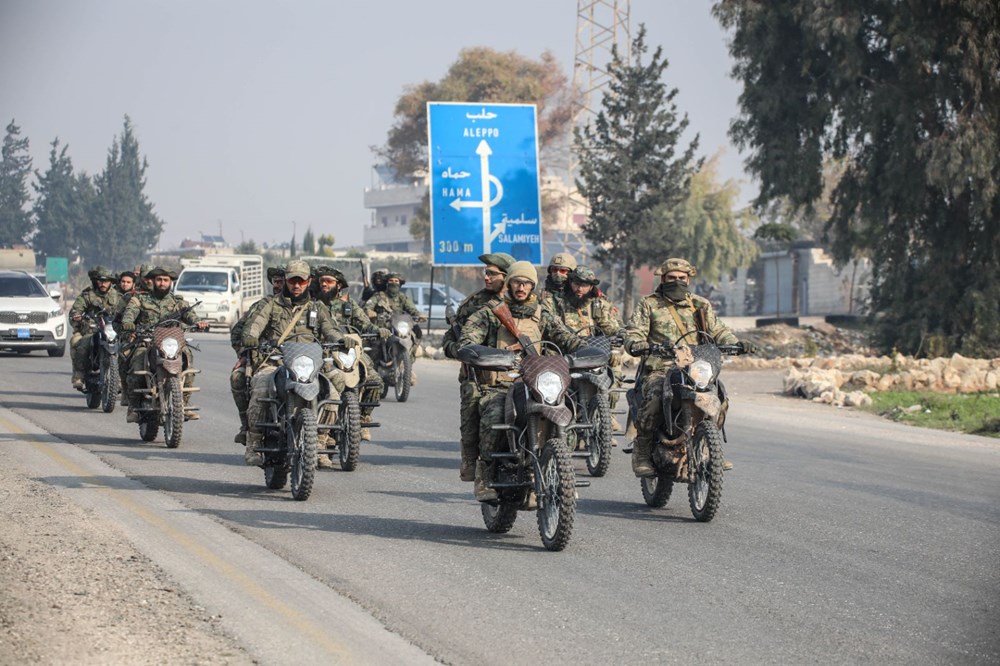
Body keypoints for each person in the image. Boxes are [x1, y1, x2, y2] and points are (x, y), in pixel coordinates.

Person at [458, 261, 584, 500]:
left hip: (536, 382)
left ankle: (562, 476)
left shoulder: (542, 314)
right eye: (517, 282)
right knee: (493, 415)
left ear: (532, 286)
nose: (521, 287)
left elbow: (567, 338)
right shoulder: (490, 313)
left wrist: (585, 352)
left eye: (526, 283)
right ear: (509, 283)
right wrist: (482, 352)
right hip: (500, 384)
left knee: (566, 414)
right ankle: (484, 476)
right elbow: (468, 339)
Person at [623, 258, 756, 477]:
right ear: (663, 279)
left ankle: (709, 448)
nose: (677, 282)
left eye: (681, 278)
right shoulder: (649, 304)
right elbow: (634, 332)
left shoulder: (700, 304)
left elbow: (718, 330)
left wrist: (737, 342)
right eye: (672, 278)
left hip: (696, 368)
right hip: (661, 368)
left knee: (719, 397)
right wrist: (638, 344)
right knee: (655, 398)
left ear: (689, 279)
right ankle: (642, 452)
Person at [239, 260, 357, 466]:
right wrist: (251, 337)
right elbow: (254, 325)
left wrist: (340, 339)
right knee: (260, 387)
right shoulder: (271, 304)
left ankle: (319, 444)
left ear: (308, 282)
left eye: (301, 281)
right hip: (275, 361)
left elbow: (330, 329)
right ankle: (253, 443)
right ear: (285, 281)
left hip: (310, 364)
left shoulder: (317, 307)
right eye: (292, 281)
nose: (296, 286)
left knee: (334, 392)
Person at [442, 252, 515, 482]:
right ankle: (473, 464)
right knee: (472, 411)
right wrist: (464, 352)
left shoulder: (526, 303)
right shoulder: (475, 303)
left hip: (518, 373)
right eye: (486, 272)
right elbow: (449, 341)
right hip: (480, 375)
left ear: (507, 277)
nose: (486, 277)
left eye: (492, 273)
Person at [120, 267, 209, 423]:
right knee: (136, 366)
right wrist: (128, 323)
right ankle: (133, 407)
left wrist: (198, 323)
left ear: (171, 283)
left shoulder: (178, 302)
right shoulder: (140, 300)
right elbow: (129, 314)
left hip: (172, 343)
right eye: (159, 280)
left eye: (165, 280)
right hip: (147, 342)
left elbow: (190, 315)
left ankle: (183, 404)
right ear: (153, 281)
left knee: (188, 363)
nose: (162, 283)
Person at [313, 265, 385, 455]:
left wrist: (377, 330)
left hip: (349, 353)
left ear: (338, 285)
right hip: (323, 352)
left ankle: (363, 419)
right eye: (322, 281)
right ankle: (320, 430)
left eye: (329, 281)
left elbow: (364, 323)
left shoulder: (348, 304)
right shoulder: (313, 304)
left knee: (374, 380)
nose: (325, 284)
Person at [545, 265, 627, 431]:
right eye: (576, 283)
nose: (579, 289)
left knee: (615, 360)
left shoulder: (597, 304)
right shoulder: (557, 302)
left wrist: (623, 336)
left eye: (584, 285)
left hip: (593, 352)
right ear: (570, 282)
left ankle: (606, 413)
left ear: (591, 287)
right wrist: (573, 341)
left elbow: (611, 325)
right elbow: (553, 327)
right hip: (566, 352)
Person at [228, 265, 285, 445]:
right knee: (238, 378)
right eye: (276, 281)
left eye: (283, 281)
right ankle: (247, 427)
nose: (279, 285)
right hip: (264, 358)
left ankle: (324, 437)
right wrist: (244, 353)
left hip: (299, 360)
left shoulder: (309, 307)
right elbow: (238, 332)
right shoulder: (261, 305)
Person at [364, 271, 425, 382]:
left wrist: (419, 315)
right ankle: (372, 374)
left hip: (399, 326)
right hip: (383, 328)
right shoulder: (379, 296)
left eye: (396, 281)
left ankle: (407, 366)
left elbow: (412, 310)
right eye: (391, 281)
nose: (393, 283)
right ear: (387, 283)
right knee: (375, 346)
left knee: (415, 338)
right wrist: (370, 312)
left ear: (400, 283)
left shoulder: (403, 298)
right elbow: (367, 307)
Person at [69, 266, 122, 390]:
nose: (103, 284)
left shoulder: (118, 296)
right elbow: (75, 310)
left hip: (112, 330)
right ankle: (79, 376)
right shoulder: (87, 295)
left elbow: (127, 311)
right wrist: (76, 316)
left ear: (111, 282)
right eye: (100, 281)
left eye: (106, 281)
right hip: (91, 330)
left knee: (125, 349)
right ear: (96, 281)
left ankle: (120, 380)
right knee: (81, 345)